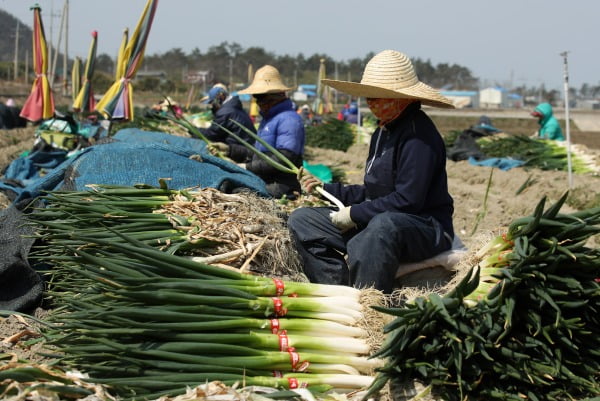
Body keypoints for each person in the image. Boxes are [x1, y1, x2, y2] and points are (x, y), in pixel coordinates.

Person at [288, 49, 455, 294]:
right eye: (369, 95)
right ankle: (338, 291)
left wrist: (355, 213)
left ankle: (369, 304)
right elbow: (374, 192)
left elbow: (408, 200)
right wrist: (327, 190)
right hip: (383, 217)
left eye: (379, 96)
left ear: (402, 97)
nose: (371, 101)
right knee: (302, 221)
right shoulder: (382, 132)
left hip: (425, 227)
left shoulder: (419, 136)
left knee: (381, 226)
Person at [236, 65, 305, 199]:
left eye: (260, 97)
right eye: (256, 97)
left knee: (235, 189)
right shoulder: (268, 119)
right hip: (264, 179)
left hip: (282, 187)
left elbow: (282, 159)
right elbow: (258, 152)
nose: (258, 102)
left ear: (275, 97)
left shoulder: (289, 120)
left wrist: (247, 167)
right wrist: (230, 150)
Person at [201, 84, 257, 163]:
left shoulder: (225, 112)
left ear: (222, 97)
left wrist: (194, 130)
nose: (212, 106)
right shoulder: (234, 106)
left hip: (241, 151)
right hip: (247, 148)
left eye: (213, 103)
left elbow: (212, 134)